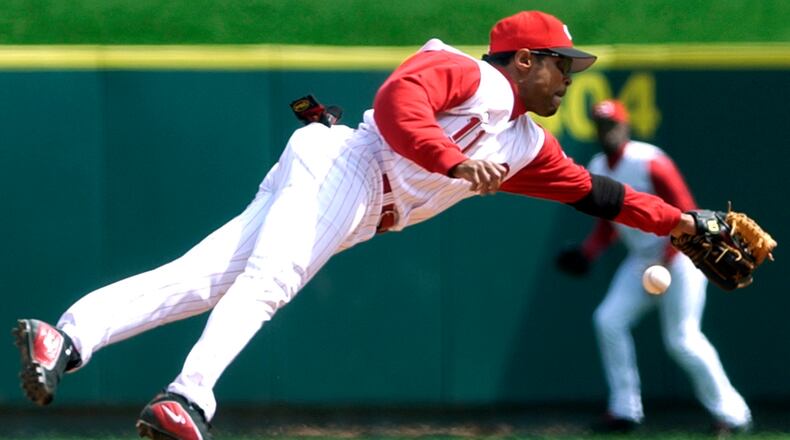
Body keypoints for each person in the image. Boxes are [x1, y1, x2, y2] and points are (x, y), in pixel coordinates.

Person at [14, 11, 701, 440]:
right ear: (524, 59)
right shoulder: (475, 76)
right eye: (561, 64)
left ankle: (68, 334)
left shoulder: (526, 144)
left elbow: (599, 194)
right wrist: (452, 160)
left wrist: (689, 225)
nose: (569, 77)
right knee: (270, 281)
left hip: (358, 198)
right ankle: (187, 399)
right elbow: (400, 99)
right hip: (347, 167)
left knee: (201, 281)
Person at [555, 100, 752, 435]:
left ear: (626, 126)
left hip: (683, 256)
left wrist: (669, 257)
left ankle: (733, 415)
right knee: (608, 320)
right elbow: (608, 223)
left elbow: (688, 213)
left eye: (612, 125)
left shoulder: (651, 161)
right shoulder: (598, 165)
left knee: (682, 338)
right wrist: (588, 253)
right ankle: (624, 410)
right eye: (602, 126)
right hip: (643, 260)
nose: (608, 131)